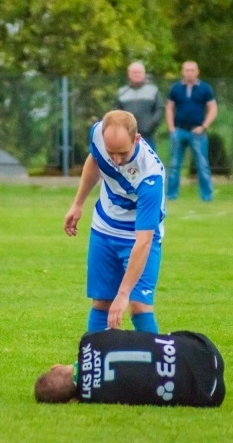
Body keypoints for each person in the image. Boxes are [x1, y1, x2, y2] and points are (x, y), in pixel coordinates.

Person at [64, 110, 165, 334]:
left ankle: (157, 357)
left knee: (138, 306)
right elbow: (95, 160)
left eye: (123, 153)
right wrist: (78, 203)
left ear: (136, 139)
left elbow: (144, 241)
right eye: (111, 152)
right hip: (104, 227)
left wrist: (123, 294)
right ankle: (94, 356)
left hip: (138, 235)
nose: (117, 160)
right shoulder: (97, 134)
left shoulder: (150, 176)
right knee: (101, 301)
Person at [34, 329, 225, 407]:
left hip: (210, 392)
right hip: (207, 351)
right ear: (55, 367)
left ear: (72, 400)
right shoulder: (89, 340)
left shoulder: (94, 397)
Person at [165, 61, 218, 202]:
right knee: (174, 165)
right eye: (187, 70)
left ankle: (207, 196)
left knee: (202, 165)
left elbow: (213, 109)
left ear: (197, 71)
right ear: (182, 72)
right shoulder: (175, 88)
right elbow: (169, 108)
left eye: (192, 70)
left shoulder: (205, 88)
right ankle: (171, 195)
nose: (189, 73)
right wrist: (171, 128)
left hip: (198, 133)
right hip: (179, 131)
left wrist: (204, 126)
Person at [112, 61, 165, 151]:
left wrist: (152, 124)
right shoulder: (122, 92)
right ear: (129, 75)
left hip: (147, 136)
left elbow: (160, 108)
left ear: (144, 74)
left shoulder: (153, 90)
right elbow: (115, 111)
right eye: (134, 72)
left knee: (148, 159)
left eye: (139, 72)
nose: (137, 75)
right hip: (127, 137)